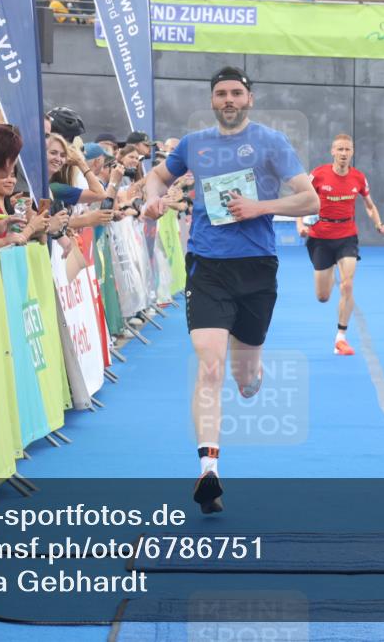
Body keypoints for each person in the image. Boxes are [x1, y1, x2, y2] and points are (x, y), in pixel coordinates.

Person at [140, 66, 319, 513]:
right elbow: (158, 176)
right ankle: (209, 470)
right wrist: (153, 197)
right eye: (221, 93)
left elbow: (310, 198)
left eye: (236, 93)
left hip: (257, 268)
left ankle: (252, 379)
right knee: (211, 366)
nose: (229, 100)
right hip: (207, 267)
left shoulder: (271, 143)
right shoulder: (194, 144)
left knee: (243, 375)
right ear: (213, 100)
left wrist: (262, 206)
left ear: (250, 99)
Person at [297, 134, 384, 356]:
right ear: (332, 152)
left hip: (347, 235)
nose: (344, 154)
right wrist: (300, 224)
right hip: (320, 237)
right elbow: (301, 199)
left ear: (352, 152)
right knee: (323, 296)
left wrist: (378, 223)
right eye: (340, 149)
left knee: (347, 285)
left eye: (348, 150)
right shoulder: (318, 175)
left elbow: (369, 204)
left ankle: (341, 337)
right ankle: (329, 301)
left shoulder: (358, 178)